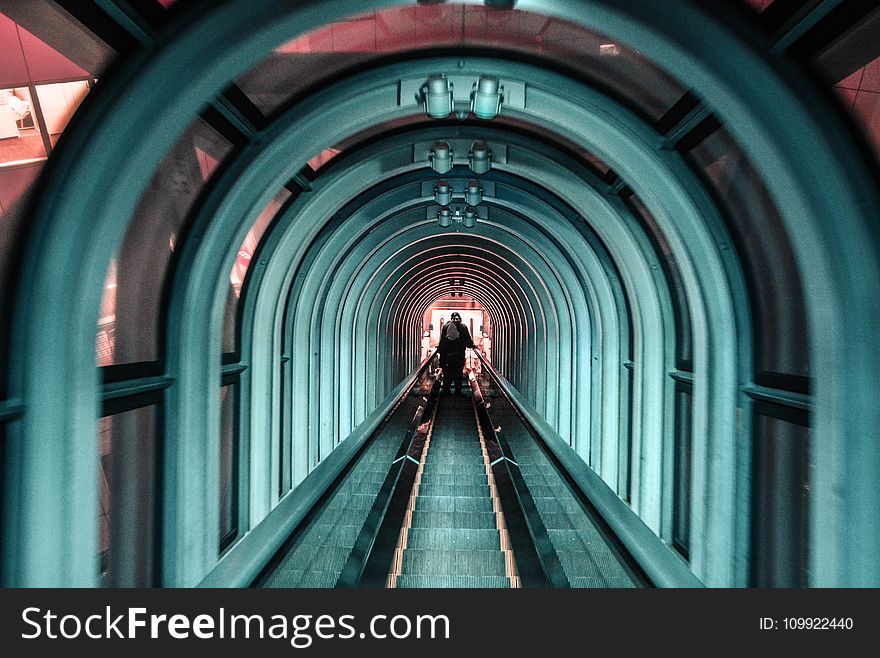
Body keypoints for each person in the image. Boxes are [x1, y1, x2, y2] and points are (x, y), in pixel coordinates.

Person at [436, 312, 474, 394]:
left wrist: (442, 360)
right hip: (458, 358)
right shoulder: (463, 329)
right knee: (458, 375)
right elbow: (468, 341)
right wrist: (472, 345)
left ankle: (446, 391)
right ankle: (458, 391)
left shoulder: (446, 328)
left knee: (447, 375)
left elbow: (441, 346)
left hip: (447, 360)